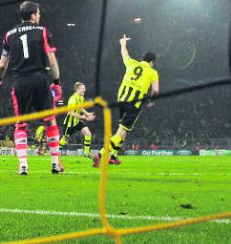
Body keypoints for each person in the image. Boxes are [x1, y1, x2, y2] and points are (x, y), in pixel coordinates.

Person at [0, 1, 64, 175]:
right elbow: (52, 61)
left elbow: (2, 65)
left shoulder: (9, 35)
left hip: (20, 83)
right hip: (40, 80)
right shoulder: (43, 31)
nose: (39, 16)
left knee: (21, 125)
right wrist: (56, 82)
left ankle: (23, 165)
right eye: (38, 13)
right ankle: (55, 164)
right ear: (32, 15)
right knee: (50, 121)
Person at [94, 35, 159, 167]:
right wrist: (151, 100)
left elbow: (125, 54)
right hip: (134, 102)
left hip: (121, 99)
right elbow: (156, 90)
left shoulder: (132, 63)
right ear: (151, 61)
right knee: (121, 132)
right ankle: (100, 154)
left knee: (123, 129)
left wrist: (123, 43)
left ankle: (113, 156)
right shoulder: (153, 72)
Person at [60, 82, 96, 157]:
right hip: (69, 123)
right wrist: (82, 117)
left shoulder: (81, 98)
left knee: (88, 134)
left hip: (77, 121)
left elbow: (80, 107)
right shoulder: (72, 99)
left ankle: (86, 153)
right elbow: (71, 113)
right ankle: (55, 151)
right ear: (77, 89)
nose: (84, 90)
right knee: (65, 139)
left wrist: (87, 113)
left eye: (84, 88)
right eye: (82, 88)